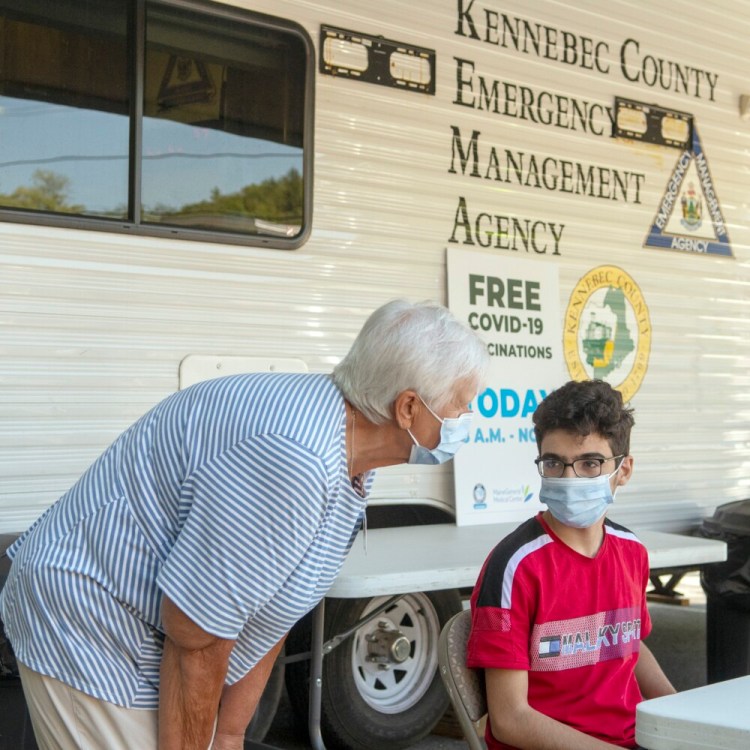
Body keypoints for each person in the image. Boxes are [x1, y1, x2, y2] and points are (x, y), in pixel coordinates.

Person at [0, 298, 488, 750]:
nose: (467, 418)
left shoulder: (354, 454)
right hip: (91, 617)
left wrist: (230, 734)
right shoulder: (295, 459)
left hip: (152, 630)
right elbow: (197, 637)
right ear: (406, 408)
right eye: (461, 404)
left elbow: (270, 608)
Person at [467, 379, 676, 750]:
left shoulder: (633, 552)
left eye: (590, 463)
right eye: (554, 463)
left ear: (623, 470)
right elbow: (510, 720)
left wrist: (682, 717)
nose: (569, 478)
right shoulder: (514, 567)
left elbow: (630, 645)